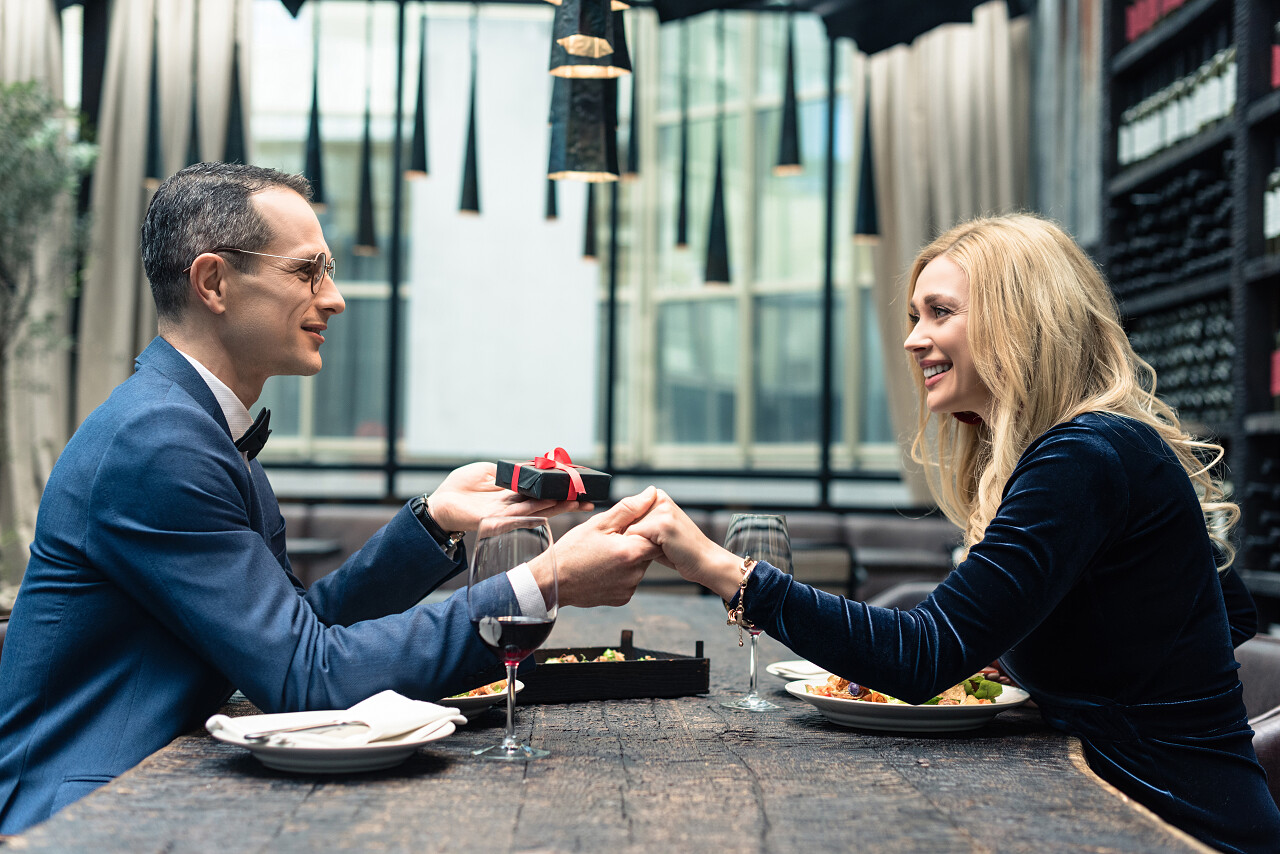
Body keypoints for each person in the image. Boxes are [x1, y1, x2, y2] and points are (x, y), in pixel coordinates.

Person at [0, 162, 660, 834]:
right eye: (307, 271)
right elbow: (307, 676)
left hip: (165, 786)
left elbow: (295, 633)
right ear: (213, 282)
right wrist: (543, 583)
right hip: (82, 815)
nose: (335, 298)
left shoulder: (192, 425)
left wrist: (435, 520)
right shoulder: (158, 440)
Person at [629, 213, 1280, 853]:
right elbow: (1228, 614)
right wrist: (1051, 658)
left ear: (1019, 321)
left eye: (940, 313)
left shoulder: (1083, 456)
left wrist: (720, 568)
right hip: (1115, 804)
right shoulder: (1103, 444)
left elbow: (924, 655)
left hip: (1175, 826)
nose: (913, 340)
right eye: (916, 316)